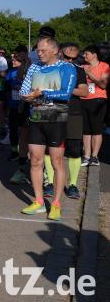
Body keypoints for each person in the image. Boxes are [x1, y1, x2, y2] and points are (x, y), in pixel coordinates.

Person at [20, 37, 76, 221]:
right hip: (36, 117)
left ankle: (57, 204)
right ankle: (39, 201)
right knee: (35, 160)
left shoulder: (66, 68)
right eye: (38, 51)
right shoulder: (35, 67)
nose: (39, 54)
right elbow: (24, 91)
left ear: (55, 50)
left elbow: (66, 93)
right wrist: (27, 96)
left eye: (43, 50)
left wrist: (42, 92)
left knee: (57, 162)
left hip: (57, 119)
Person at [59, 43, 89, 199]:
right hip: (54, 112)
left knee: (74, 150)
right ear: (60, 54)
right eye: (67, 57)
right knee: (51, 150)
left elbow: (84, 92)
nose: (70, 61)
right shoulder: (52, 69)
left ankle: (72, 185)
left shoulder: (79, 70)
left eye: (74, 58)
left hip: (74, 113)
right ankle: (49, 183)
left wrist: (65, 89)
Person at [6, 47, 32, 185]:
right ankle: (21, 169)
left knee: (36, 143)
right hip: (19, 107)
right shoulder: (12, 72)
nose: (12, 61)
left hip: (33, 108)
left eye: (15, 59)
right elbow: (8, 87)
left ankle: (45, 174)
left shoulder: (32, 70)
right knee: (22, 136)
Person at [82, 45, 108, 167]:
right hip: (84, 99)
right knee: (86, 130)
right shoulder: (82, 66)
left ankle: (94, 156)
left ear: (94, 54)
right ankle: (86, 156)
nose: (84, 56)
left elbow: (103, 84)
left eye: (86, 54)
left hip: (98, 100)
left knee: (96, 129)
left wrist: (89, 73)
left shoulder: (104, 66)